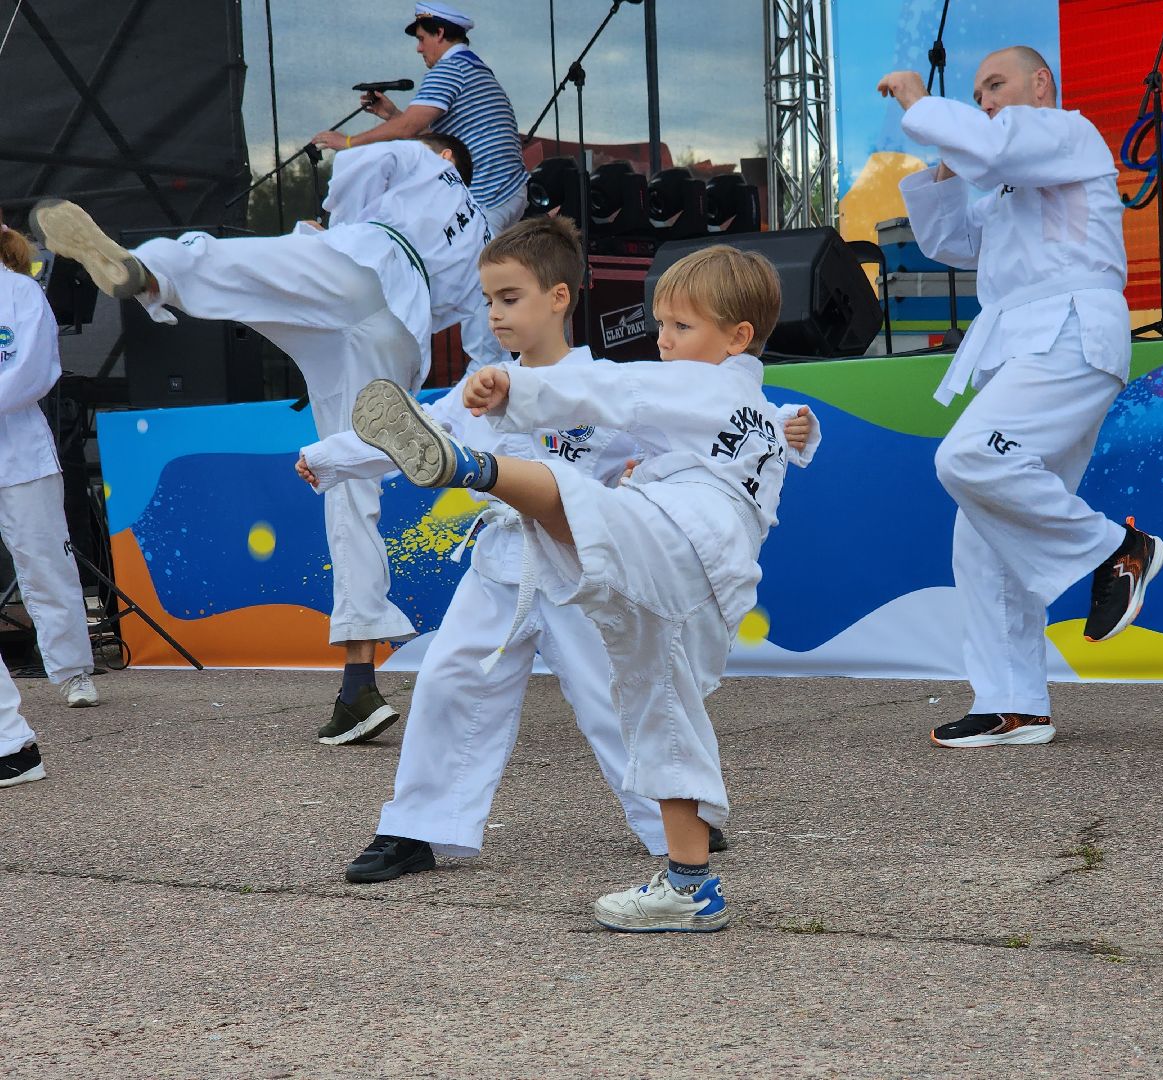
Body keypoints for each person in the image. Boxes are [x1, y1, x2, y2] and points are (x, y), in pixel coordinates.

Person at [305, 219, 817, 883]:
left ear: (558, 298)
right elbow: (417, 432)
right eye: (488, 300)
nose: (495, 313)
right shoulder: (479, 387)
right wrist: (328, 458)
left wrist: (786, 426)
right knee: (451, 678)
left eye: (509, 298)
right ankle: (417, 828)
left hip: (586, 564)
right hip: (501, 562)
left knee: (617, 695)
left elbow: (704, 430)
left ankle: (672, 823)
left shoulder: (608, 382)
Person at [29, 135, 485, 744]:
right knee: (349, 484)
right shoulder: (482, 234)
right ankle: (358, 684)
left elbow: (360, 162)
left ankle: (153, 271)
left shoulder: (427, 161)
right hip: (401, 327)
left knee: (241, 268)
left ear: (447, 156)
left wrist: (334, 221)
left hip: (362, 263)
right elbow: (482, 330)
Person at [877, 49, 1163, 750]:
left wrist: (923, 105)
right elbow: (948, 239)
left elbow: (998, 144)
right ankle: (1014, 704)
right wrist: (947, 164)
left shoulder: (1068, 132)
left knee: (969, 459)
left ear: (1042, 85)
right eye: (977, 95)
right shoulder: (1011, 180)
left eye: (995, 85)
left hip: (1069, 337)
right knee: (981, 534)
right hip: (1029, 349)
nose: (986, 100)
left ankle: (1117, 550)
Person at [312, 3, 529, 369]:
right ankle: (489, 368)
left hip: (488, 192)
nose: (418, 48)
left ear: (440, 33)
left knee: (478, 281)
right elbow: (433, 136)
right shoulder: (472, 68)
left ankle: (485, 374)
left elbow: (412, 131)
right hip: (505, 189)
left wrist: (347, 143)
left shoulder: (451, 67)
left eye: (422, 38)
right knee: (478, 277)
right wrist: (392, 116)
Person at [0, 211, 97, 711]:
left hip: (18, 455)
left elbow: (33, 370)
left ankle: (74, 670)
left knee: (44, 563)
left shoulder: (21, 293)